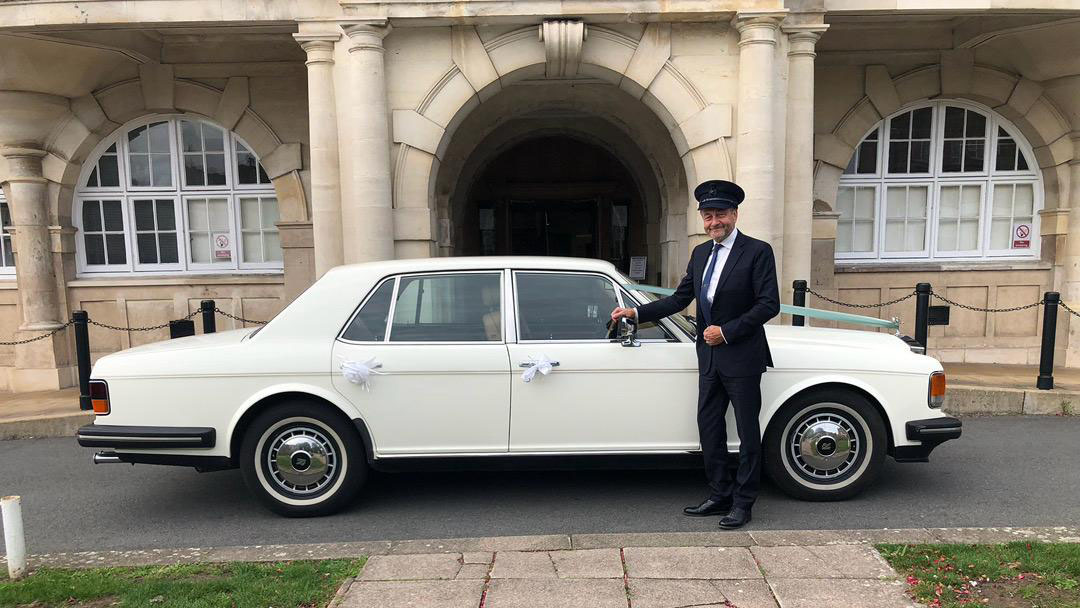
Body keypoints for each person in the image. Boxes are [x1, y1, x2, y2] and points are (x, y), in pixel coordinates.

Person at [611, 179, 779, 529]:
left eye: (720, 214)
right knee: (709, 426)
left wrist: (727, 332)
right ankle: (719, 494)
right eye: (707, 216)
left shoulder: (757, 251)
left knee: (748, 432)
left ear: (734, 214)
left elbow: (769, 304)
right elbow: (679, 299)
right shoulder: (701, 253)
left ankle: (744, 502)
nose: (713, 222)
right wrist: (636, 313)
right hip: (709, 357)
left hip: (743, 355)